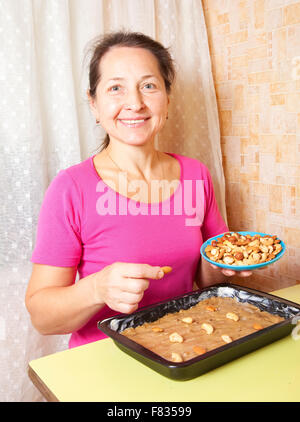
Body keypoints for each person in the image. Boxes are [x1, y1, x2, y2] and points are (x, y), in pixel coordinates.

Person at [25, 31, 251, 348]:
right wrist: (96, 289)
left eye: (148, 86)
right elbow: (42, 318)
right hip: (105, 359)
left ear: (167, 99)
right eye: (116, 88)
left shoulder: (195, 175)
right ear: (94, 103)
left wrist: (223, 262)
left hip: (189, 347)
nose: (135, 103)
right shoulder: (71, 188)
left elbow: (208, 279)